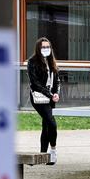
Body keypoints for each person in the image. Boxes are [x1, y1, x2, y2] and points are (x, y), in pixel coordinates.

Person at [27, 37, 60, 165]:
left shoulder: (52, 62)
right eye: (43, 47)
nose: (46, 49)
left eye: (48, 47)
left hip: (51, 97)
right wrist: (49, 94)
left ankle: (42, 155)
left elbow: (56, 80)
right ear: (38, 48)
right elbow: (34, 83)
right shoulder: (32, 62)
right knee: (52, 123)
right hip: (39, 98)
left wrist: (55, 93)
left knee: (46, 125)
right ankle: (53, 151)